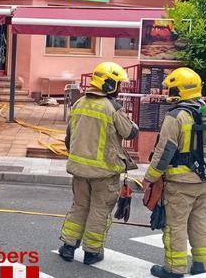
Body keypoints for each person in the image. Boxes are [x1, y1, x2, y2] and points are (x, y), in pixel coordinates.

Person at [58, 62, 139, 265]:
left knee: (79, 206)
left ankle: (68, 246)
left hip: (79, 170)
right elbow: (130, 132)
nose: (120, 89)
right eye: (118, 84)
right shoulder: (112, 108)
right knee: (99, 211)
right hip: (104, 173)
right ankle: (92, 252)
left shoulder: (79, 103)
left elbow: (69, 137)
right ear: (109, 84)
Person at [144, 67, 206, 277]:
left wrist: (150, 178)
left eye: (171, 88)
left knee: (175, 226)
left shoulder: (176, 116)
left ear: (179, 90)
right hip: (203, 181)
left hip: (180, 183)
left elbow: (164, 152)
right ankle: (204, 265)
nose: (168, 93)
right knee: (199, 224)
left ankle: (174, 269)